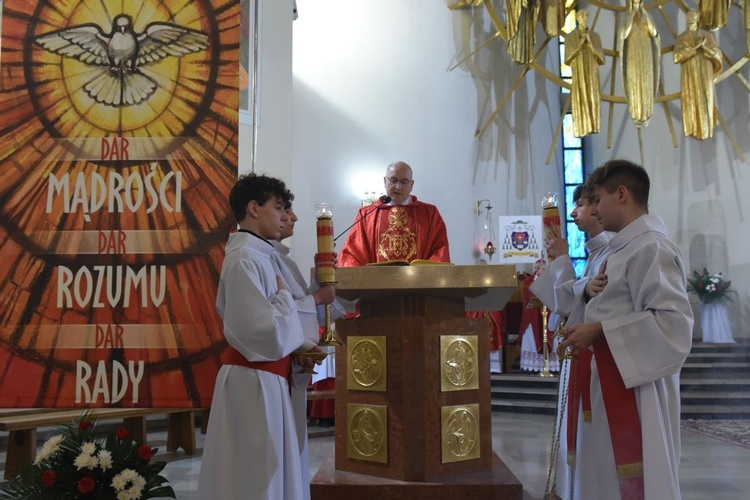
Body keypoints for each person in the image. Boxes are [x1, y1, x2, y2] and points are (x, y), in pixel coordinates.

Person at [559, 159, 693, 499]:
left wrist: (601, 330)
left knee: (632, 479)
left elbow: (673, 325)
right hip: (607, 377)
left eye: (598, 198)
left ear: (621, 194)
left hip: (635, 390)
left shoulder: (652, 247)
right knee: (601, 473)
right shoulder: (620, 249)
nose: (594, 209)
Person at [198, 173, 319, 500]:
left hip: (269, 381)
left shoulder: (262, 255)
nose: (284, 216)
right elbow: (261, 332)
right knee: (254, 477)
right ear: (253, 208)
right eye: (277, 207)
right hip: (252, 383)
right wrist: (284, 302)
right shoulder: (243, 259)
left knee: (271, 471)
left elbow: (278, 328)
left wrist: (304, 349)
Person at [528, 184, 613, 499]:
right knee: (575, 435)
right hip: (580, 357)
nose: (574, 213)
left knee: (591, 440)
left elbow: (571, 302)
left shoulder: (613, 249)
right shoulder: (596, 251)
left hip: (596, 362)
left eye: (579, 206)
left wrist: (563, 259)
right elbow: (573, 298)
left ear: (597, 207)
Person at [270, 198, 343, 500]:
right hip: (271, 374)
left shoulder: (280, 258)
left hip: (287, 374)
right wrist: (315, 297)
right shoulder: (257, 258)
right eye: (284, 210)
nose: (293, 217)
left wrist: (319, 279)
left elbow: (296, 308)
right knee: (277, 460)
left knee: (292, 455)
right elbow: (274, 316)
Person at [339, 161, 450, 266]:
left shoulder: (429, 213)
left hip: (418, 283)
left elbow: (439, 250)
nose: (398, 186)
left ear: (411, 185)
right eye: (393, 180)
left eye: (404, 182)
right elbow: (352, 254)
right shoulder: (367, 215)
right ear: (384, 181)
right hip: (376, 283)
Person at [673, 9, 722, 140]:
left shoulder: (707, 36)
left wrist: (705, 48)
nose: (691, 18)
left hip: (705, 71)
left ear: (698, 17)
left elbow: (717, 54)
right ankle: (694, 128)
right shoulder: (682, 37)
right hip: (689, 73)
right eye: (689, 16)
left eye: (693, 16)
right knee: (692, 99)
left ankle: (706, 129)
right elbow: (676, 57)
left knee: (706, 98)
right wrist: (693, 49)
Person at [619, 0, 661, 127]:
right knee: (635, 82)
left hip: (646, 54)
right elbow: (624, 34)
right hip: (632, 55)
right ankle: (637, 113)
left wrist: (645, 14)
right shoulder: (626, 16)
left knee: (646, 81)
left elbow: (654, 32)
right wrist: (632, 15)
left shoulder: (646, 16)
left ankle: (646, 112)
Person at [564, 10, 605, 137]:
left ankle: (593, 124)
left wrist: (591, 45)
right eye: (582, 16)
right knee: (581, 96)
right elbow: (567, 58)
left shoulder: (595, 36)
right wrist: (580, 44)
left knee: (592, 97)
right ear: (577, 18)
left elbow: (601, 59)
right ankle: (582, 126)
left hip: (592, 72)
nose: (585, 18)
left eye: (587, 15)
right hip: (579, 72)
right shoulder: (570, 37)